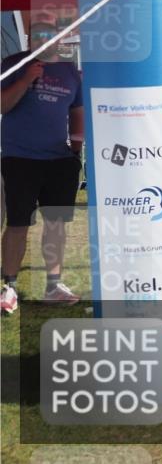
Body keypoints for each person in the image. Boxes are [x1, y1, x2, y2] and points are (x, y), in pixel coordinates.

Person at [1, 21, 85, 314]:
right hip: (20, 158)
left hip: (60, 160)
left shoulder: (69, 71)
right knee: (18, 223)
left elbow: (77, 111)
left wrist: (76, 149)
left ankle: (53, 285)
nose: (42, 41)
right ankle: (9, 287)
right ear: (29, 39)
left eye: (49, 36)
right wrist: (26, 79)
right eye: (36, 36)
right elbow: (3, 105)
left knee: (56, 225)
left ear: (59, 39)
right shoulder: (13, 64)